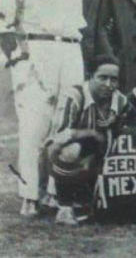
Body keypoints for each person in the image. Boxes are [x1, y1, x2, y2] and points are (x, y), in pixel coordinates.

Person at [0, 0, 86, 217]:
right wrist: (19, 64)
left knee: (64, 126)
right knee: (33, 127)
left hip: (70, 53)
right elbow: (4, 28)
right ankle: (29, 195)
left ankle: (54, 191)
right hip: (35, 54)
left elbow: (76, 26)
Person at [45, 55, 129, 225]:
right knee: (71, 150)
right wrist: (91, 133)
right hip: (65, 153)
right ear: (90, 76)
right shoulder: (75, 95)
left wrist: (116, 125)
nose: (108, 84)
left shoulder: (121, 101)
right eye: (102, 78)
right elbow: (60, 138)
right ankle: (64, 207)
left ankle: (89, 199)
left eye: (114, 79)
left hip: (103, 153)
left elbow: (127, 132)